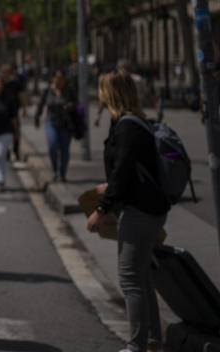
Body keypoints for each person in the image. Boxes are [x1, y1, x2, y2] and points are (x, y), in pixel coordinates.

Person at [87, 69, 170, 352]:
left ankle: (136, 346)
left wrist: (100, 210)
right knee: (142, 277)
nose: (98, 95)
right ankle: (152, 341)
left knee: (130, 279)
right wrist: (109, 187)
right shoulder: (129, 123)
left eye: (102, 90)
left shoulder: (127, 127)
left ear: (111, 94)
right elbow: (127, 172)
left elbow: (123, 175)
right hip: (146, 208)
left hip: (140, 211)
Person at [34, 69, 77, 182]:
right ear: (52, 78)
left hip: (66, 124)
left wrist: (70, 106)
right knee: (52, 146)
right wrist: (37, 118)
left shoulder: (69, 90)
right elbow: (41, 104)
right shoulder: (48, 90)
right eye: (56, 77)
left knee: (64, 149)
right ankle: (54, 170)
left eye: (61, 78)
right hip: (51, 122)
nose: (58, 80)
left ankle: (62, 173)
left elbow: (77, 104)